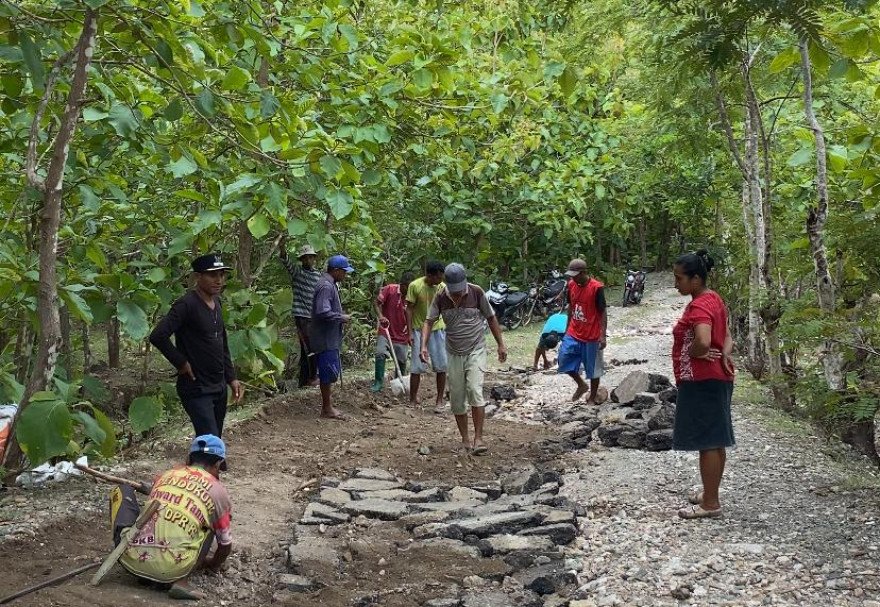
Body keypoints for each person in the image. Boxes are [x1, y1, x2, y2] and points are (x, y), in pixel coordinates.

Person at [109, 434, 232, 600]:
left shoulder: (166, 475)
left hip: (130, 560)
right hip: (174, 569)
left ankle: (138, 559)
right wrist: (212, 565)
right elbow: (225, 545)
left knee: (123, 491)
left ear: (188, 458)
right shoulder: (218, 492)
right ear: (218, 464)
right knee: (211, 523)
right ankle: (180, 580)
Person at [150, 253, 243, 439]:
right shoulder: (186, 305)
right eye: (213, 275)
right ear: (198, 277)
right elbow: (158, 336)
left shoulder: (217, 302)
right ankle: (204, 466)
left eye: (222, 274)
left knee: (213, 440)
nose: (219, 280)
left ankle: (202, 465)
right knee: (209, 441)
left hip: (217, 386)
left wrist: (231, 377)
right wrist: (181, 363)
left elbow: (221, 341)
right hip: (196, 387)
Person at [671, 250, 735, 520]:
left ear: (695, 279)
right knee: (716, 439)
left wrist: (697, 352)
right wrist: (726, 354)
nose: (676, 284)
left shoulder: (699, 306)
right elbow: (728, 337)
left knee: (708, 441)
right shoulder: (714, 299)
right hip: (719, 377)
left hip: (702, 380)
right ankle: (710, 494)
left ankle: (710, 504)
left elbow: (704, 340)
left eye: (679, 278)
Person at [421, 263, 506, 454]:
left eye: (460, 291)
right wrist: (423, 345)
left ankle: (479, 439)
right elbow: (428, 321)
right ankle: (465, 439)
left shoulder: (476, 292)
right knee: (458, 399)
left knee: (475, 390)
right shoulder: (441, 297)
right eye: (454, 291)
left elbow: (491, 318)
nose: (458, 295)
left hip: (476, 349)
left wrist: (501, 344)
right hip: (453, 352)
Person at [311, 254, 355, 419]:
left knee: (329, 372)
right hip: (325, 337)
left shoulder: (329, 284)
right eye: (344, 272)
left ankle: (327, 406)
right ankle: (326, 408)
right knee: (327, 372)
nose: (345, 275)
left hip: (328, 336)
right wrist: (341, 317)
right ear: (336, 270)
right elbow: (322, 311)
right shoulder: (326, 286)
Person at [557, 258, 607, 403]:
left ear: (584, 272)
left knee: (593, 369)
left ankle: (592, 396)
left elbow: (603, 312)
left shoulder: (596, 288)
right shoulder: (571, 285)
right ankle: (581, 384)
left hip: (592, 335)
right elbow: (571, 307)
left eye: (576, 274)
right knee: (563, 359)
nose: (573, 277)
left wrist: (602, 335)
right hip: (574, 331)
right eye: (571, 275)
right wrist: (566, 330)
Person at [279, 240, 322, 388]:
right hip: (302, 317)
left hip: (314, 317)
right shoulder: (298, 272)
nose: (308, 260)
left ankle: (304, 381)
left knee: (309, 349)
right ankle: (312, 377)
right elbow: (285, 261)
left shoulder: (318, 276)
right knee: (310, 347)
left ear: (314, 258)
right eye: (305, 258)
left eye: (310, 257)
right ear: (302, 260)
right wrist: (282, 247)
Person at [406, 261, 448, 410]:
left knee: (441, 366)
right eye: (438, 277)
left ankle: (439, 401)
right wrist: (410, 332)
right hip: (418, 329)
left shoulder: (442, 288)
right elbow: (409, 309)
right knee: (416, 367)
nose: (440, 280)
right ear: (429, 275)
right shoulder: (415, 286)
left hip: (437, 329)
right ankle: (412, 400)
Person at [372, 271, 415, 392]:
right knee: (380, 353)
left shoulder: (412, 297)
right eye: (408, 287)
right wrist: (381, 316)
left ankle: (399, 384)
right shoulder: (389, 289)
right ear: (402, 284)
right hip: (385, 330)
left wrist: (411, 334)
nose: (409, 290)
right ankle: (378, 382)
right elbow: (376, 303)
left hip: (402, 333)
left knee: (401, 361)